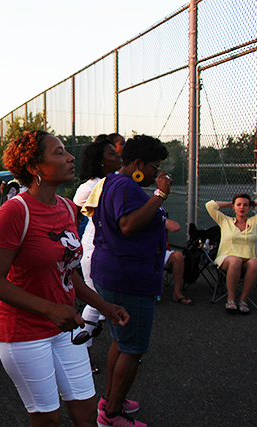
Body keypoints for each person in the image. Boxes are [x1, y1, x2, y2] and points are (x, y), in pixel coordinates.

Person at [0, 130, 129, 427]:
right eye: (59, 152)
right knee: (48, 420)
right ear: (35, 167)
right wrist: (50, 309)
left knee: (86, 414)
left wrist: (104, 306)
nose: (71, 157)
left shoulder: (66, 208)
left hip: (63, 329)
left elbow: (68, 271)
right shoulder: (14, 211)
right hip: (23, 333)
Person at [86, 134, 170, 427]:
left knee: (120, 342)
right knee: (132, 349)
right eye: (154, 167)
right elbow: (128, 225)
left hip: (113, 272)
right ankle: (111, 415)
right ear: (138, 163)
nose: (156, 174)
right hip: (129, 278)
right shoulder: (126, 186)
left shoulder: (111, 181)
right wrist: (159, 195)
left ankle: (111, 400)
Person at [73, 138, 122, 374]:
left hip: (113, 250)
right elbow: (71, 217)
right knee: (95, 301)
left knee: (112, 302)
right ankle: (81, 356)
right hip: (95, 249)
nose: (118, 156)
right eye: (112, 153)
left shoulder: (117, 181)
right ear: (101, 160)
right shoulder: (89, 187)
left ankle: (122, 352)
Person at [205, 194, 257, 314]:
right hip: (227, 258)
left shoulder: (254, 222)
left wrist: (254, 202)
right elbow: (210, 205)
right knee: (235, 260)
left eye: (245, 205)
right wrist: (231, 203)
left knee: (254, 263)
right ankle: (231, 300)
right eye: (238, 205)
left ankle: (243, 301)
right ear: (234, 207)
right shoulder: (225, 221)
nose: (242, 208)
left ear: (250, 208)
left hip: (249, 259)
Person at [165, 218, 193, 305]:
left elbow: (176, 227)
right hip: (144, 252)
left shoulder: (157, 215)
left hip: (162, 252)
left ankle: (177, 293)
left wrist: (158, 216)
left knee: (178, 256)